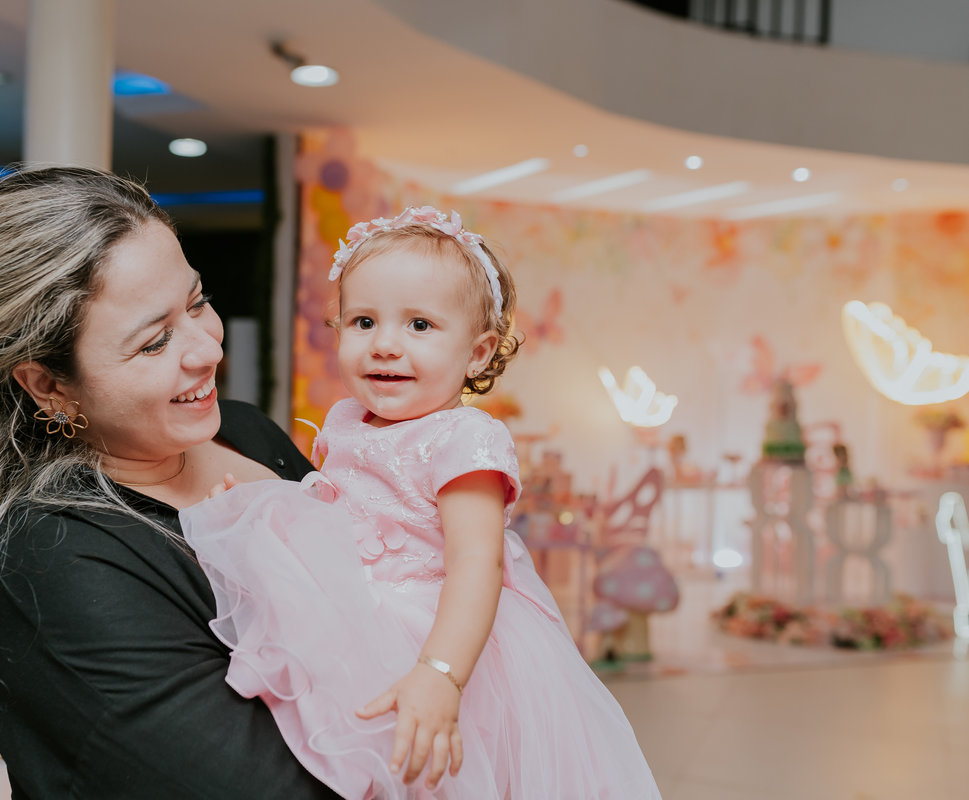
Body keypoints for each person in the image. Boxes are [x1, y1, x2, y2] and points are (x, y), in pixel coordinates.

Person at [0, 166, 340, 799]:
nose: (209, 349)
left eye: (198, 302)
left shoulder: (246, 432)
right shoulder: (59, 560)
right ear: (50, 384)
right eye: (155, 342)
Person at [181, 207, 662, 799]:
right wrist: (263, 513)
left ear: (478, 353)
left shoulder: (465, 438)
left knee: (443, 770)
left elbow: (476, 563)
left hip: (440, 633)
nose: (385, 345)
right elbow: (339, 515)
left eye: (420, 325)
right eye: (363, 321)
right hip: (358, 617)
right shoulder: (346, 419)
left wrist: (441, 674)